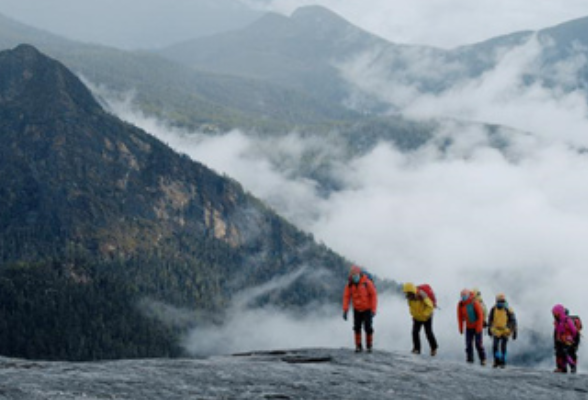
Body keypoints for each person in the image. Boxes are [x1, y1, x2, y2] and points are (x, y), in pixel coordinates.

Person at [342, 265, 378, 353]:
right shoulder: (350, 285)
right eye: (353, 275)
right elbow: (346, 297)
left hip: (367, 309)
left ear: (360, 274)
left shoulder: (367, 283)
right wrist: (345, 310)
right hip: (357, 309)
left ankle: (369, 346)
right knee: (356, 327)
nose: (355, 277)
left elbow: (373, 296)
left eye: (356, 275)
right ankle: (358, 346)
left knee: (368, 328)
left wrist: (373, 310)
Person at [402, 282, 438, 356]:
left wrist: (424, 315)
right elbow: (411, 307)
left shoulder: (422, 295)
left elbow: (430, 306)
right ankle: (416, 349)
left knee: (428, 332)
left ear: (411, 291)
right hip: (417, 317)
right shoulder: (410, 298)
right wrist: (414, 315)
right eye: (406, 293)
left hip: (427, 317)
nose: (407, 295)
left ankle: (433, 348)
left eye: (408, 293)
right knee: (415, 332)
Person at [457, 289, 487, 365]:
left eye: (465, 295)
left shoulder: (475, 303)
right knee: (468, 344)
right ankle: (470, 359)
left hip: (477, 327)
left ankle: (483, 359)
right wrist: (460, 328)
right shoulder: (460, 305)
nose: (464, 297)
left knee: (478, 344)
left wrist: (479, 328)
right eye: (462, 296)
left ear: (469, 295)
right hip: (469, 327)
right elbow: (460, 317)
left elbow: (480, 315)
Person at [487, 293, 517, 368]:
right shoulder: (493, 309)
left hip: (505, 331)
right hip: (496, 330)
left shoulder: (508, 310)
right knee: (495, 346)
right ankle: (496, 360)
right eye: (499, 301)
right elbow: (490, 319)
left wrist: (513, 331)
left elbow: (513, 321)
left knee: (503, 346)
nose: (500, 303)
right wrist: (489, 329)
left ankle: (503, 361)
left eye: (502, 301)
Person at [552, 304, 578, 373]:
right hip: (560, 341)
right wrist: (556, 341)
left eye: (556, 314)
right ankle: (562, 368)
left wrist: (572, 340)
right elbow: (557, 332)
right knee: (559, 353)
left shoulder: (567, 320)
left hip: (568, 340)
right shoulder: (557, 322)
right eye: (554, 314)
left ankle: (572, 366)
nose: (554, 316)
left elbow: (574, 331)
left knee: (565, 353)